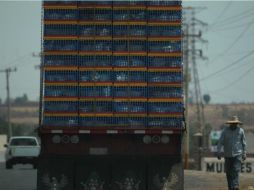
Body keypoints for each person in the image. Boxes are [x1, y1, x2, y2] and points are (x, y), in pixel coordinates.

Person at [217, 116, 247, 190]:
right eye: (233, 123)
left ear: (237, 123)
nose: (234, 125)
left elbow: (244, 143)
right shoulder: (225, 131)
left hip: (237, 154)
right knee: (228, 173)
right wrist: (218, 152)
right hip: (227, 155)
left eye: (236, 123)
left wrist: (244, 153)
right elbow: (220, 142)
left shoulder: (241, 131)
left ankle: (235, 186)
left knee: (235, 170)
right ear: (230, 123)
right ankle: (231, 188)